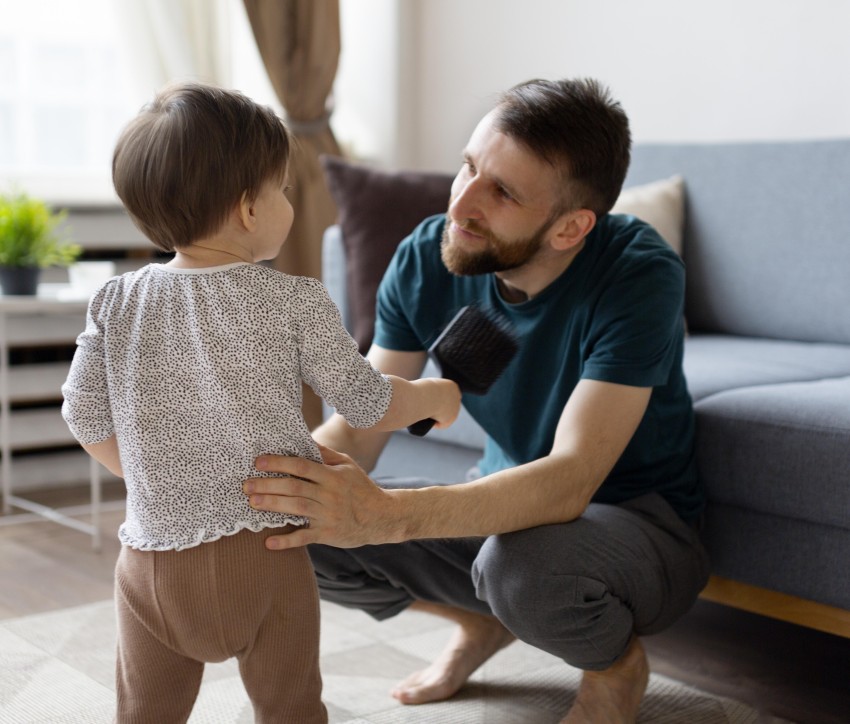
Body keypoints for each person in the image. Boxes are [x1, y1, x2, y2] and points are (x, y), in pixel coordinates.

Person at [243, 77, 710, 723]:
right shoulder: (428, 255)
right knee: (292, 523)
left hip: (634, 528)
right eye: (468, 167)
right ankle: (481, 623)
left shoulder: (637, 273)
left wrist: (387, 516)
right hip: (503, 516)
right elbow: (359, 426)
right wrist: (266, 485)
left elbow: (571, 481)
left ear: (570, 227)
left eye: (503, 192)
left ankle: (616, 668)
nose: (462, 203)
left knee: (521, 568)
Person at [60, 81, 460, 723]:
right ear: (250, 209)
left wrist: (151, 477)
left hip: (151, 564)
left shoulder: (116, 301)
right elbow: (363, 400)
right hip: (266, 553)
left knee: (144, 713)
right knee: (290, 706)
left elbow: (82, 414)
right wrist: (431, 395)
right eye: (283, 188)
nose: (288, 201)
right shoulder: (293, 301)